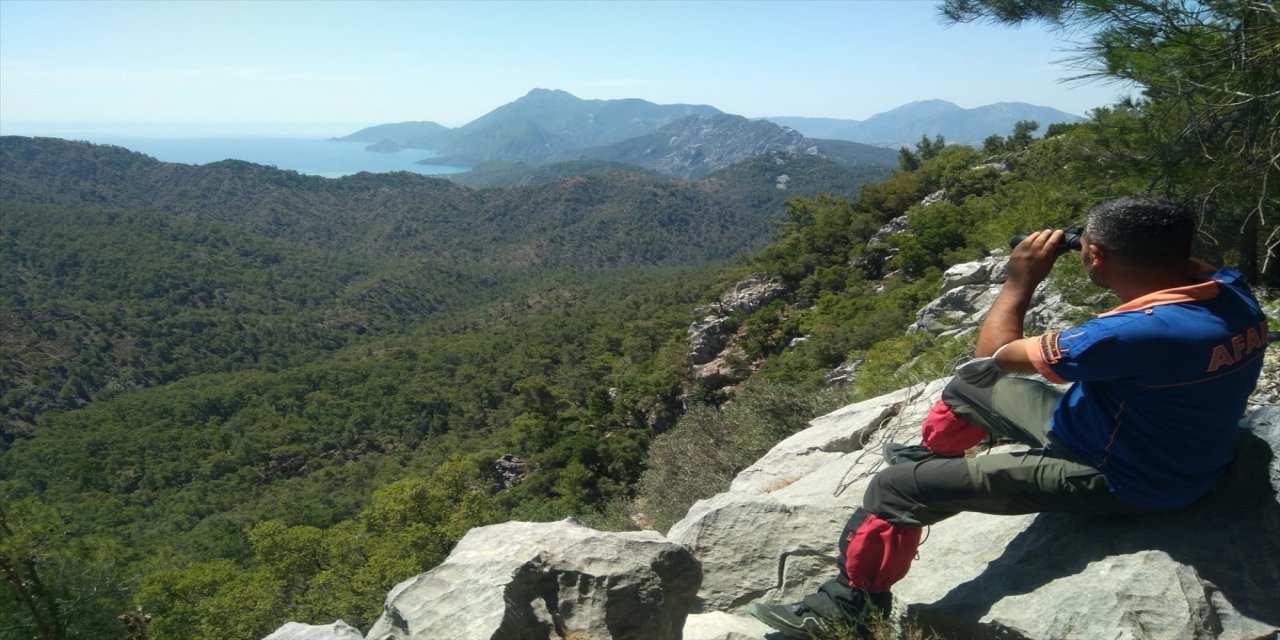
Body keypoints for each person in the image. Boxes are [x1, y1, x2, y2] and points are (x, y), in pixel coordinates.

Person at [746, 194, 1269, 638]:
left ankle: (851, 607)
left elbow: (993, 354)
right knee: (974, 389)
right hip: (1129, 434)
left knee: (894, 489)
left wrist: (1020, 279)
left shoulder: (1129, 333)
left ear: (1095, 255)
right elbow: (986, 378)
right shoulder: (1232, 295)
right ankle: (934, 459)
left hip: (1122, 475)